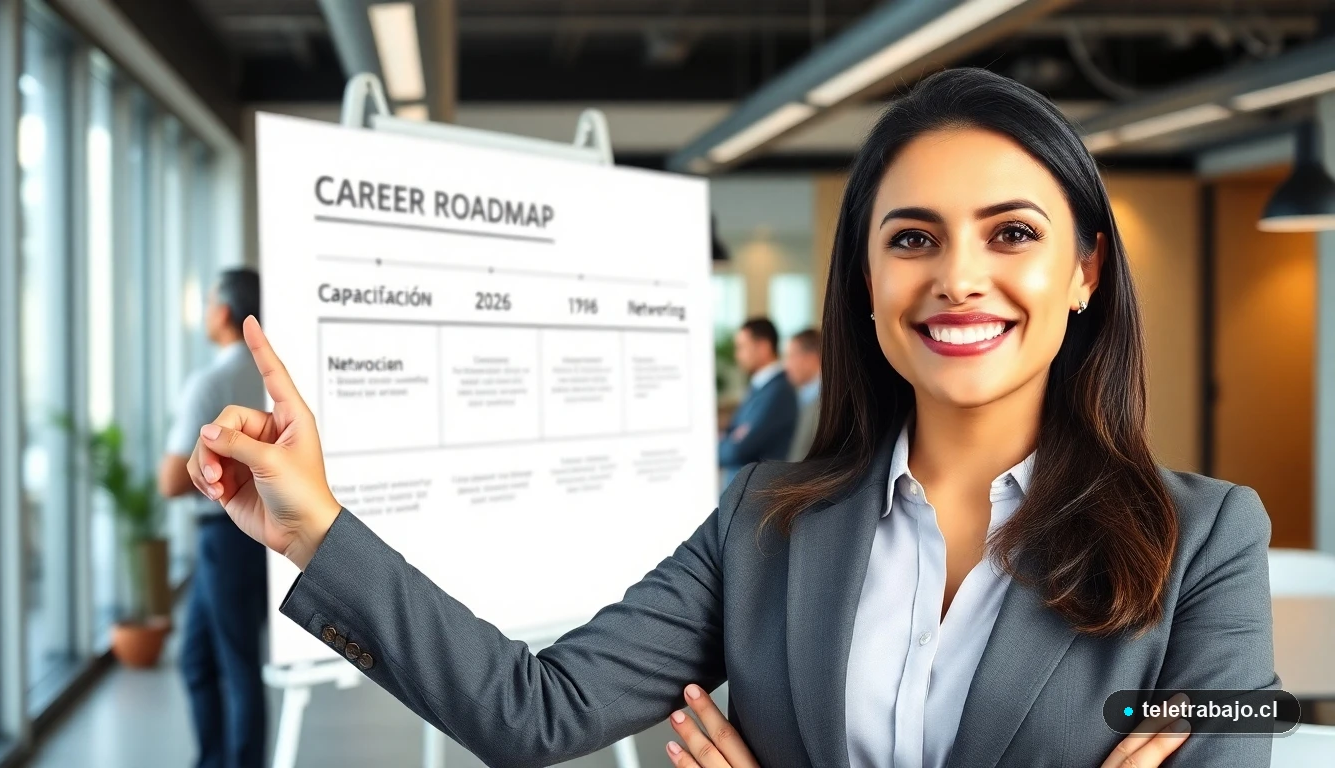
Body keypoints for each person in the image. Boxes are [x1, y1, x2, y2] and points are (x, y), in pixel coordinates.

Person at [186, 69, 1276, 768]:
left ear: (1084, 269)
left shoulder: (1207, 537)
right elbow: (535, 710)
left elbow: (1255, 718)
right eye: (911, 239)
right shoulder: (766, 523)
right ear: (860, 277)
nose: (958, 277)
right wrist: (311, 529)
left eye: (1010, 234)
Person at [159, 268, 267, 768]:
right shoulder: (268, 379)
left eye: (207, 303)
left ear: (223, 312)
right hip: (250, 539)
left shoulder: (211, 381)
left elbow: (170, 480)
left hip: (223, 539)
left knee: (235, 664)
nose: (205, 313)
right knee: (200, 658)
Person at [717, 317, 799, 488]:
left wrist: (724, 443)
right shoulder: (759, 388)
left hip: (759, 496)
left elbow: (738, 449)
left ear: (763, 347)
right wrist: (732, 438)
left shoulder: (778, 392)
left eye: (742, 347)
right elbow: (733, 434)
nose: (737, 355)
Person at [784, 328, 822, 461]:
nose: (786, 365)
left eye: (791, 356)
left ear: (811, 358)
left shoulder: (825, 404)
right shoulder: (805, 397)